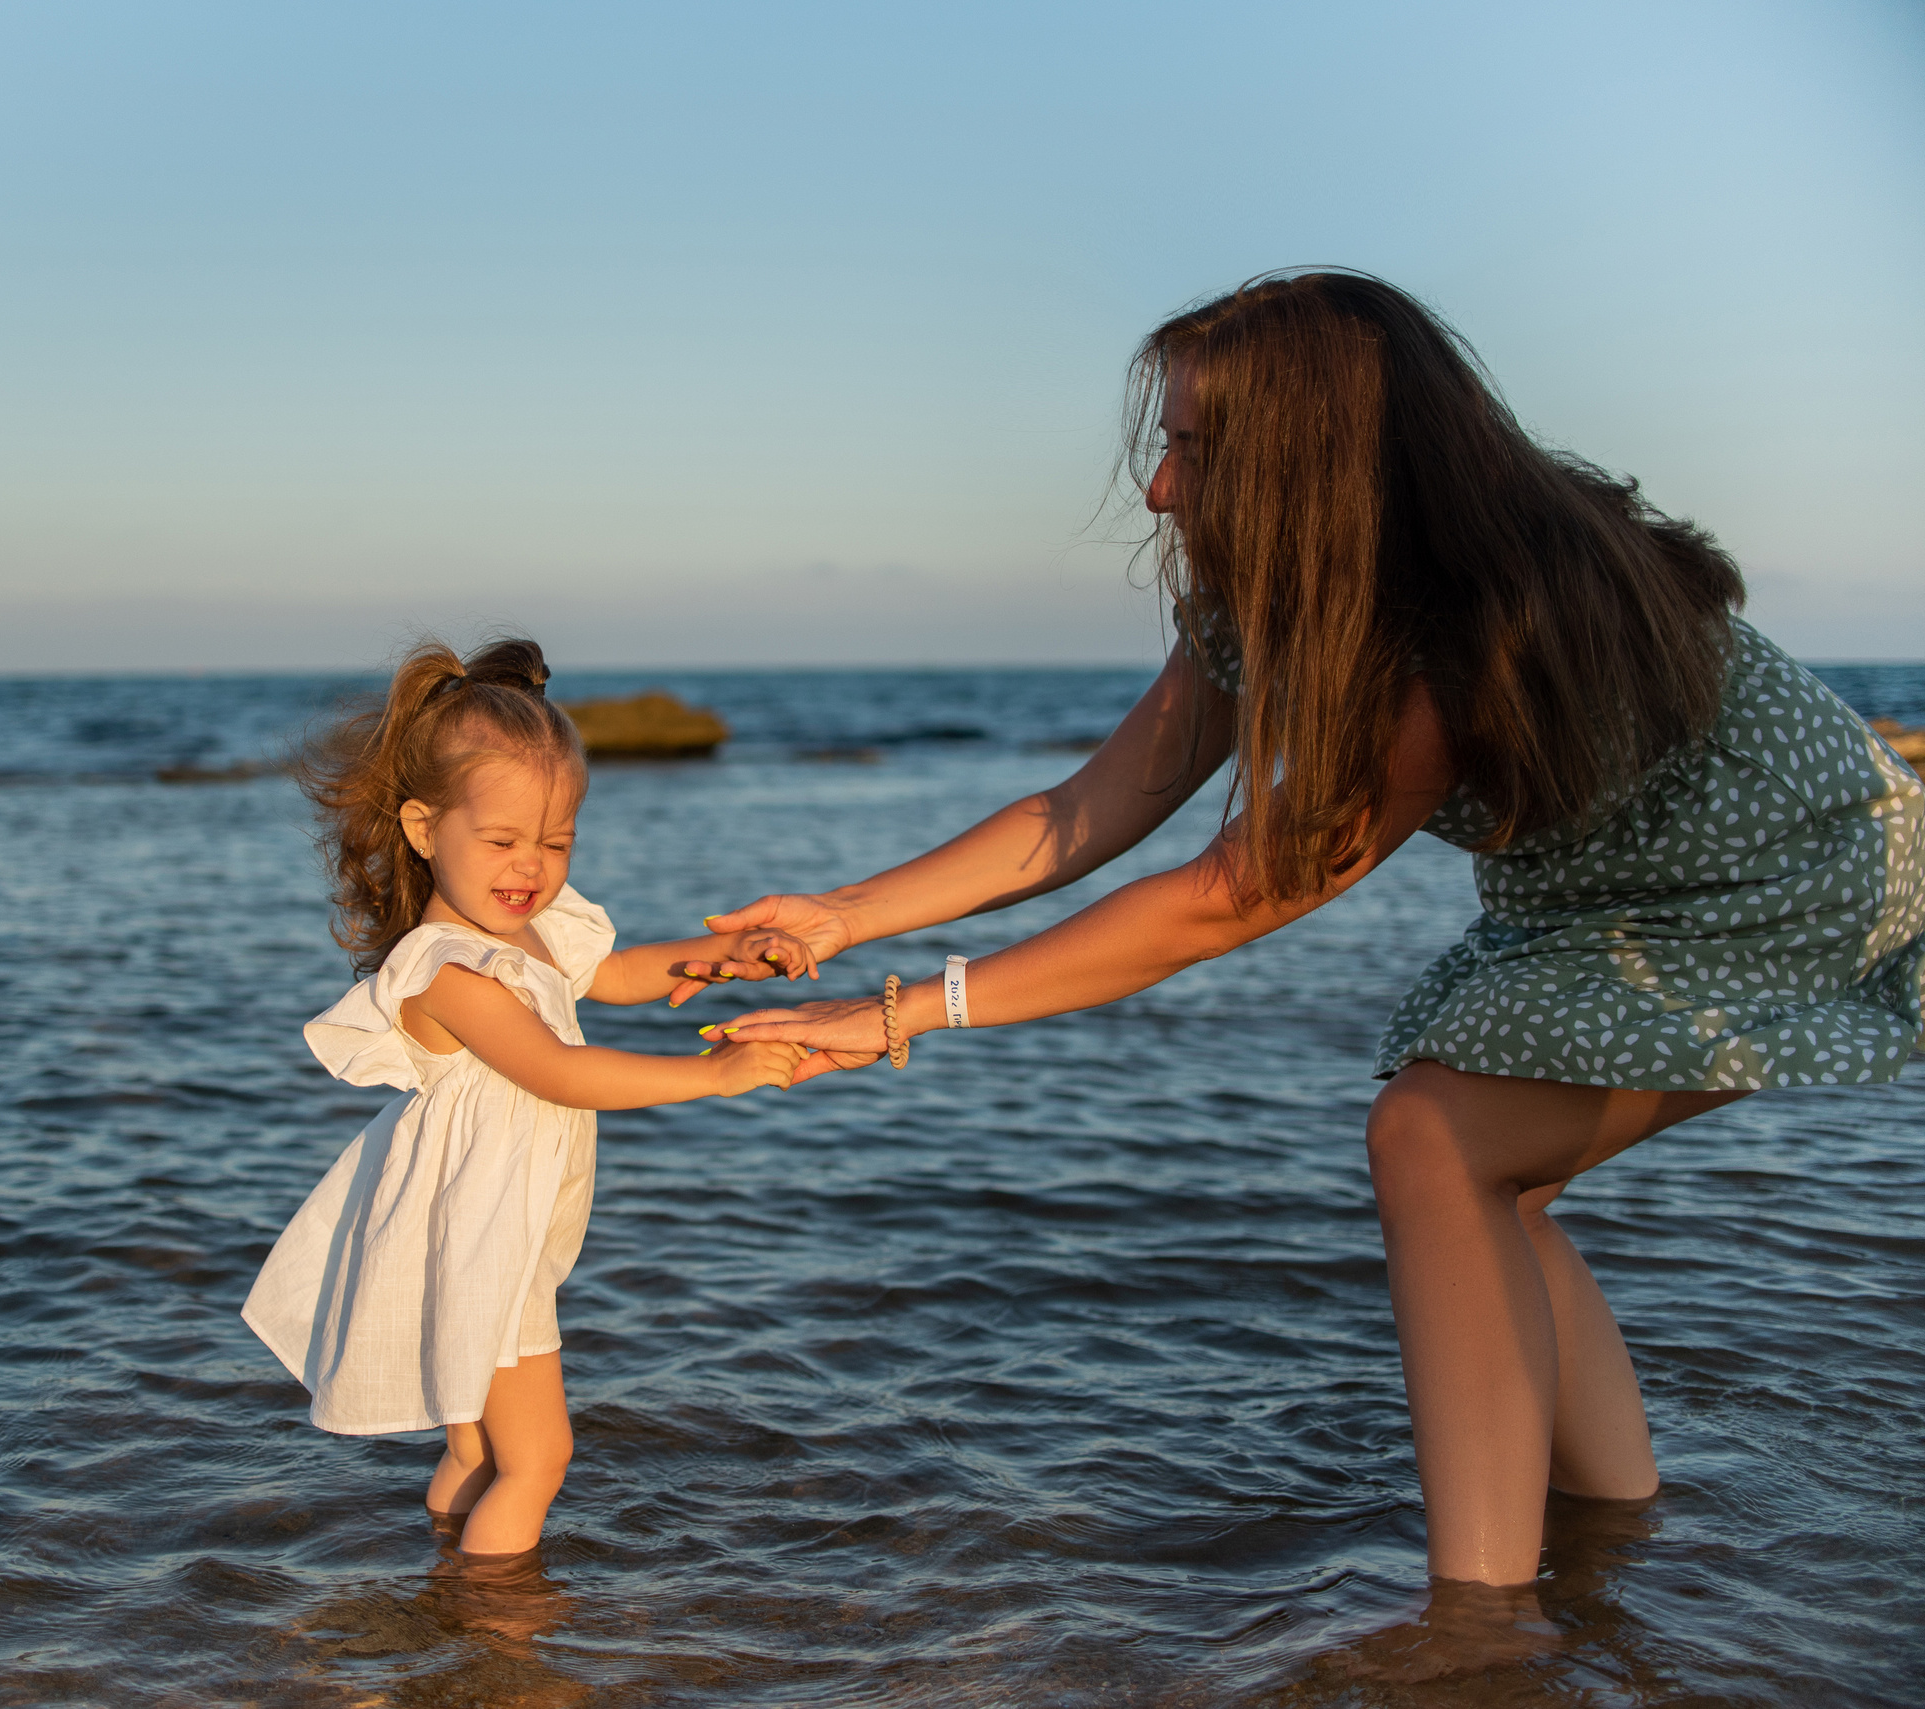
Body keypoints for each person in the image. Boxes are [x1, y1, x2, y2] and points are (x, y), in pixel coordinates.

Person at [693, 271, 1925, 1591]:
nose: (1161, 490)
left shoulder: (1476, 631)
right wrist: (847, 912)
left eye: (1195, 451)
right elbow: (1102, 800)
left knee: (1432, 1136)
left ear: (1315, 465)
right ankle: (1612, 1535)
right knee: (1493, 1178)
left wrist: (900, 1014)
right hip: (1605, 892)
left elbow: (1220, 899)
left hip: (1794, 876)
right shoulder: (1280, 582)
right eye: (1167, 444)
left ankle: (1478, 1621)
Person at [241, 637, 811, 1561]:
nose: (531, 867)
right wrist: (712, 1074)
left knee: (476, 1447)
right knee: (538, 1457)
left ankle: (443, 1599)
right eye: (502, 840)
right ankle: (499, 1641)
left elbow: (618, 971)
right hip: (480, 1238)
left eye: (556, 841)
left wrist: (719, 961)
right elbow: (554, 1068)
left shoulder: (529, 931)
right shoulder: (443, 970)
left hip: (491, 1223)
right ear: (426, 829)